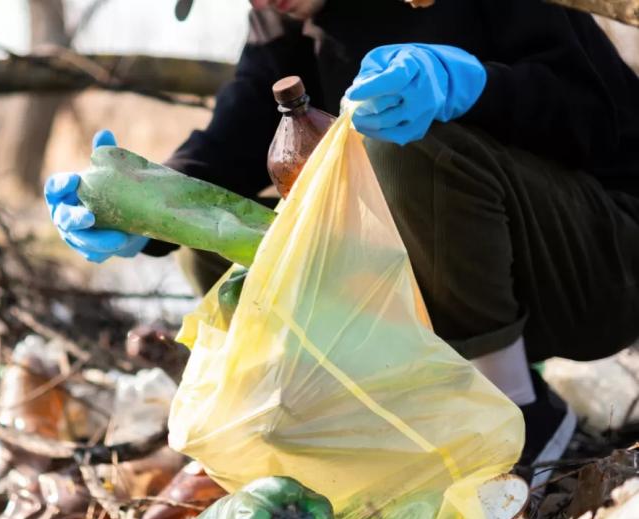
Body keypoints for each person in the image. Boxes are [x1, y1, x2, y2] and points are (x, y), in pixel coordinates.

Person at [45, 0, 639, 487]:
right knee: (230, 237)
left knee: (400, 146)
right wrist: (141, 207)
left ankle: (516, 414)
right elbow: (233, 141)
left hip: (604, 259)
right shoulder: (281, 18)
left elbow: (600, 115)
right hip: (486, 266)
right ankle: (401, 423)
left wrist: (475, 87)